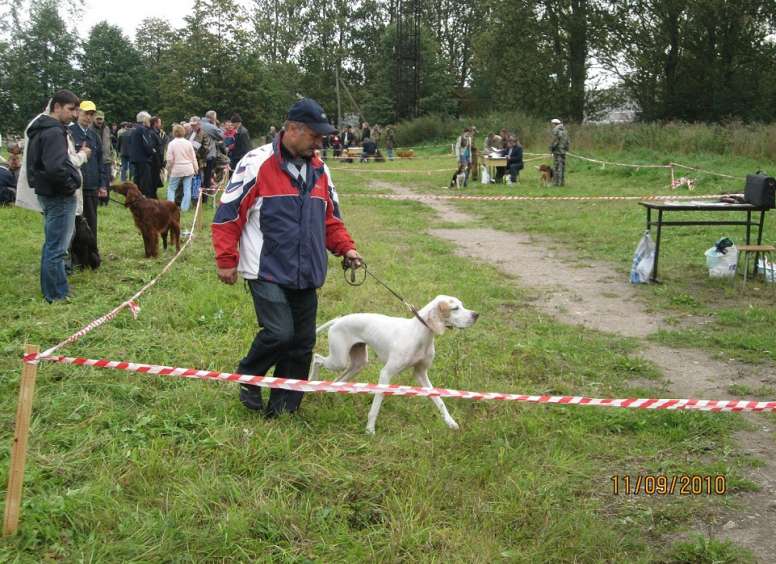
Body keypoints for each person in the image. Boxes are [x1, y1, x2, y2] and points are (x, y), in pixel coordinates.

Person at [212, 98, 363, 417]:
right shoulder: (256, 162)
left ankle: (283, 408)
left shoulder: (321, 170)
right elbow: (228, 214)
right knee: (280, 333)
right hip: (265, 267)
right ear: (293, 129)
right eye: (315, 135)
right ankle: (249, 377)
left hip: (307, 270)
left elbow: (330, 219)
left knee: (302, 342)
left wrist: (346, 248)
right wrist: (226, 259)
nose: (320, 142)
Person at [24, 89, 91, 302]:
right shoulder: (53, 132)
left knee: (53, 244)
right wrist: (70, 186)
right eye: (71, 109)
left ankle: (57, 288)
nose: (74, 114)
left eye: (76, 110)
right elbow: (55, 167)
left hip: (49, 192)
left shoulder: (42, 128)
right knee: (57, 248)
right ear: (56, 107)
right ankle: (56, 294)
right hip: (59, 196)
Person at [69, 100, 108, 264]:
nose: (88, 117)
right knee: (74, 224)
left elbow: (101, 162)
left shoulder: (94, 136)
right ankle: (75, 257)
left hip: (92, 185)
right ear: (78, 112)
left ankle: (91, 256)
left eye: (91, 114)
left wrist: (103, 184)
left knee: (91, 223)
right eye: (86, 113)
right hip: (75, 186)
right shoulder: (69, 133)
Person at [165, 123, 198, 211]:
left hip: (177, 169)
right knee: (187, 189)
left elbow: (170, 159)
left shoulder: (171, 144)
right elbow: (193, 157)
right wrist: (196, 168)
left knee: (171, 188)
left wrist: (168, 169)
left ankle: (171, 207)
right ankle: (184, 208)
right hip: (188, 168)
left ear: (174, 132)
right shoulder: (188, 143)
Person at [129, 111, 156, 198]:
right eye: (149, 119)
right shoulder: (143, 129)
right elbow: (147, 144)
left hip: (135, 158)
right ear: (144, 120)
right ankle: (144, 198)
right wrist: (152, 151)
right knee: (145, 181)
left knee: (137, 179)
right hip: (143, 159)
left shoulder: (134, 129)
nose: (150, 122)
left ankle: (136, 197)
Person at [201, 110, 224, 195]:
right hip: (208, 155)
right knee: (207, 176)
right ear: (213, 118)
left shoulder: (199, 123)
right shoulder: (210, 126)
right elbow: (222, 135)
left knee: (199, 176)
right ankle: (205, 196)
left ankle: (196, 195)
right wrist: (214, 124)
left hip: (197, 155)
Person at [549, 118, 570, 186]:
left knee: (556, 167)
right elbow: (568, 141)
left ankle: (556, 183)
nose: (552, 125)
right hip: (563, 151)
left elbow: (555, 140)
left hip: (557, 151)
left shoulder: (556, 130)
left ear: (554, 124)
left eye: (552, 124)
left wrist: (551, 148)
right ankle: (562, 182)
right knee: (562, 167)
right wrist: (567, 149)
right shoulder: (565, 130)